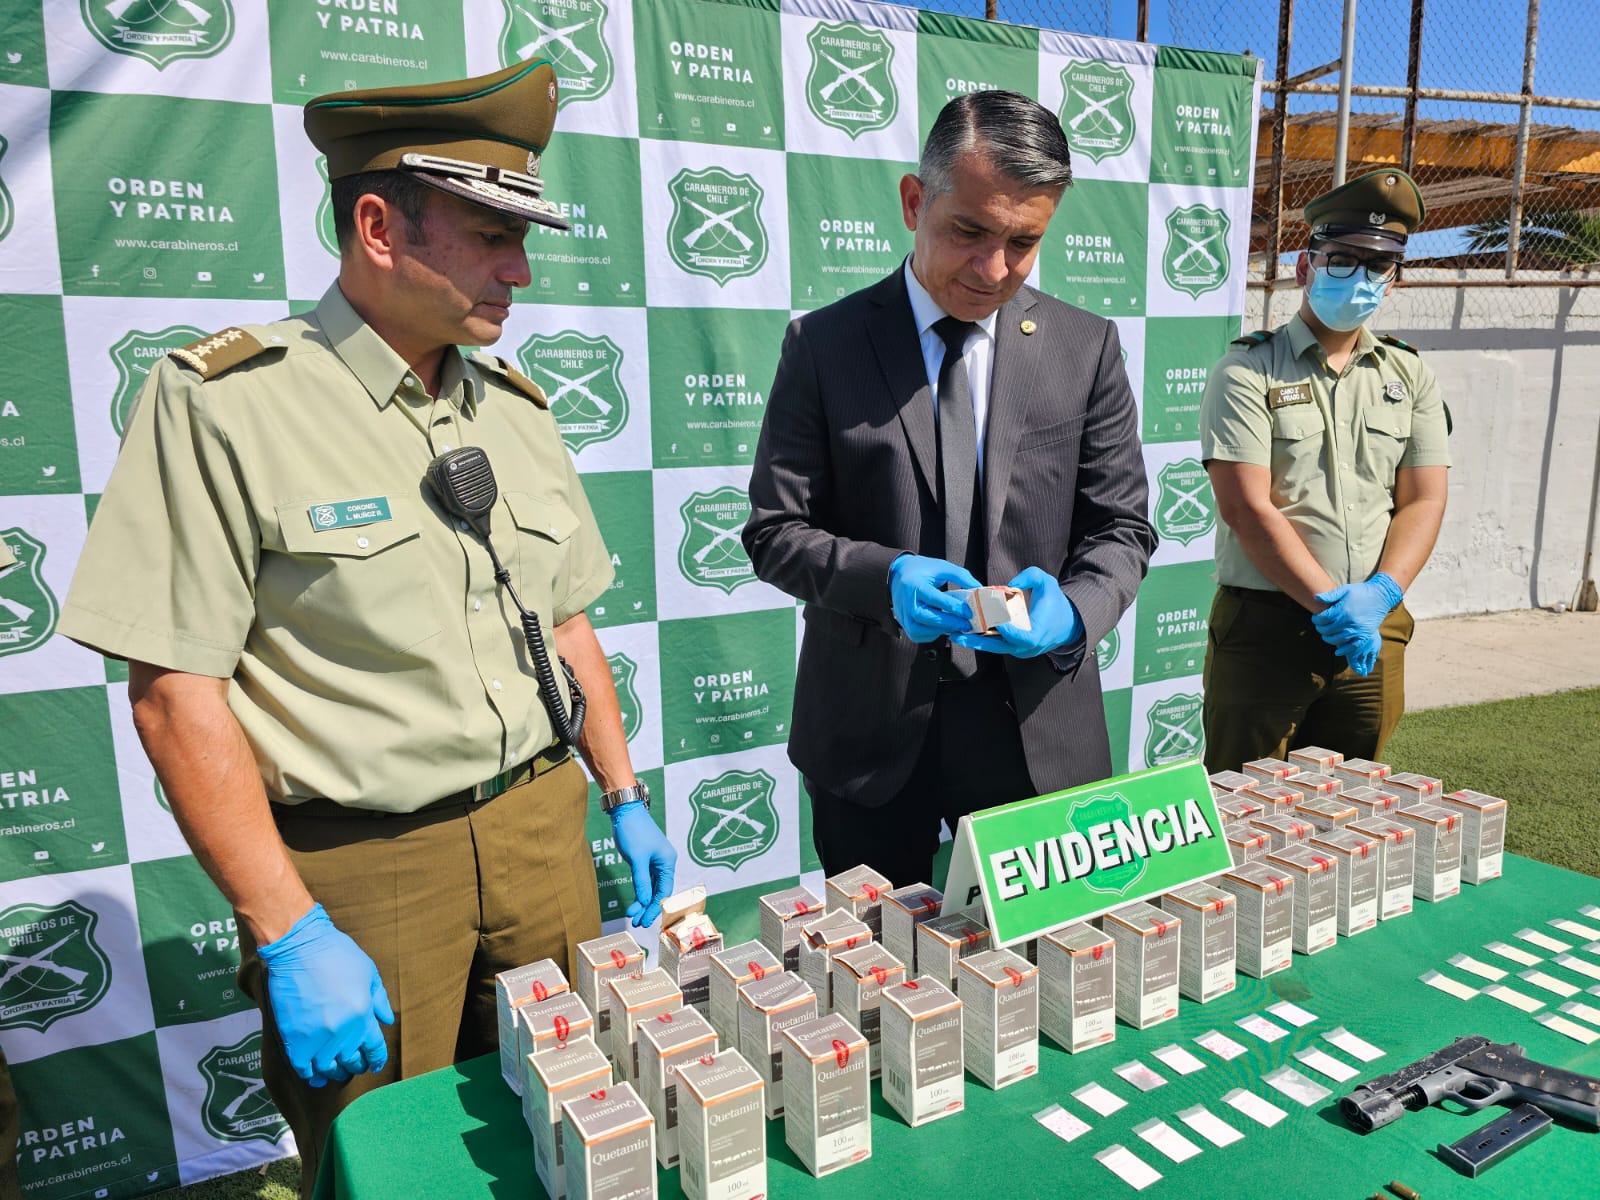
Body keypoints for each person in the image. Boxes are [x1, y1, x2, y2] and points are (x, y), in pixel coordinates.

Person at [58, 59, 673, 1193]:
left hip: (543, 838)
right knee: (391, 1169)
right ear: (380, 227)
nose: (520, 270)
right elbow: (175, 693)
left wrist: (623, 795)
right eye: (491, 236)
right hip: (368, 878)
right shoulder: (228, 401)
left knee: (570, 1141)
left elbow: (568, 625)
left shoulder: (516, 409)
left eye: (522, 238)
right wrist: (288, 930)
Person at [743, 90, 1155, 887]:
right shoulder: (823, 345)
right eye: (969, 232)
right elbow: (774, 531)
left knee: (1042, 961)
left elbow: (1123, 527)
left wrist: (1074, 612)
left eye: (1023, 243)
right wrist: (883, 579)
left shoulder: (1085, 348)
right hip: (867, 739)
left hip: (1036, 736)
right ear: (913, 202)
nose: (993, 269)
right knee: (873, 960)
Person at [1199, 168, 1450, 771]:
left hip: (1375, 627)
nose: (1360, 277)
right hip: (1267, 629)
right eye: (1342, 260)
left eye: (1378, 265)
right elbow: (1246, 507)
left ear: (1393, 280)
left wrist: (1381, 594)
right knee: (1245, 802)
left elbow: (1424, 499)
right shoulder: (1248, 370)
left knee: (1354, 803)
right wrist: (1332, 606)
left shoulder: (1409, 374)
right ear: (1304, 268)